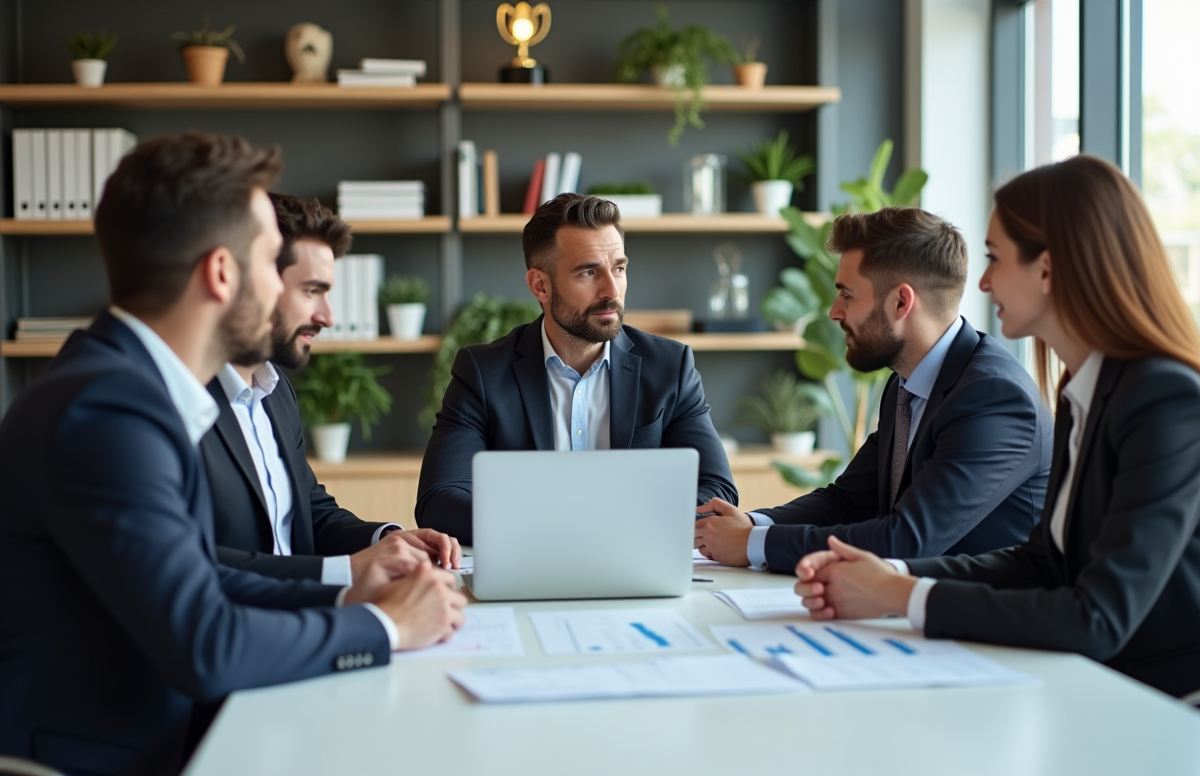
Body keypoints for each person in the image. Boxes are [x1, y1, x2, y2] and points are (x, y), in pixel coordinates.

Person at [0, 132, 466, 776]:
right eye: (271, 262)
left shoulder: (131, 390)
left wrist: (350, 595)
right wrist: (387, 626)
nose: (283, 290)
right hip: (114, 774)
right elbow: (206, 643)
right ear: (222, 274)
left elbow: (203, 576)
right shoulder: (106, 412)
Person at [794, 154, 1200, 699]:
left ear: (1047, 269)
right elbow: (1042, 563)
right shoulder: (1085, 393)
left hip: (1158, 706)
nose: (982, 283)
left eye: (994, 258)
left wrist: (900, 595)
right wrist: (894, 580)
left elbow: (1097, 617)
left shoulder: (1163, 400)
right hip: (1090, 685)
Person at [694, 207, 1052, 572]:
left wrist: (753, 544)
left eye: (847, 295)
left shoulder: (993, 397)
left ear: (901, 302)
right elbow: (847, 501)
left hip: (976, 606)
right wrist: (752, 524)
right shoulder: (906, 385)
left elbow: (907, 541)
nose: (834, 312)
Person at [416, 192, 737, 542]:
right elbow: (439, 501)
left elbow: (717, 490)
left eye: (619, 268)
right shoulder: (483, 372)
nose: (611, 290)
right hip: (531, 562)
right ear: (540, 286)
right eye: (588, 272)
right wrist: (562, 526)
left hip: (636, 559)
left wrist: (610, 525)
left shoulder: (670, 367)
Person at [202, 193, 460, 584]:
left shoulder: (274, 391)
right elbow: (191, 562)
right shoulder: (181, 403)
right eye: (311, 291)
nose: (327, 317)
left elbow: (309, 511)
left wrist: (386, 540)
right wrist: (348, 572)